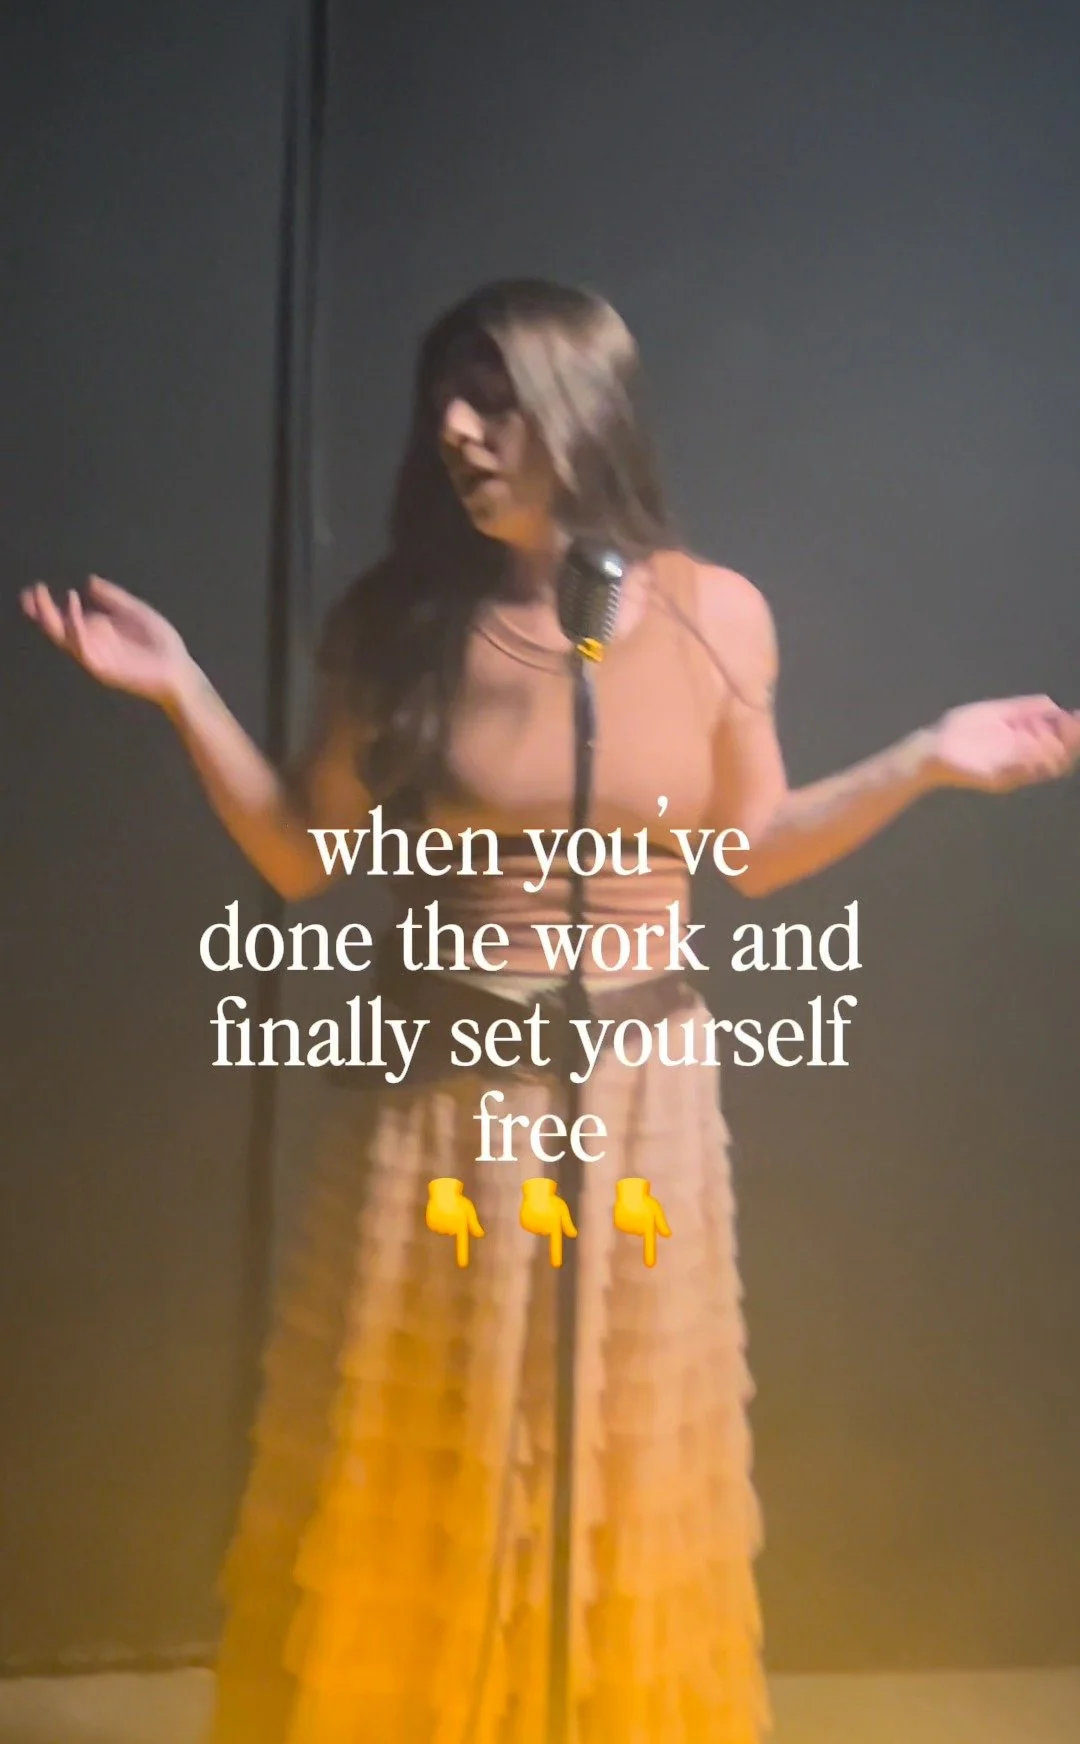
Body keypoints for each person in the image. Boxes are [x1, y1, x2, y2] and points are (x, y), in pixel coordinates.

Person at [20, 277, 1080, 1742]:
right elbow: (301, 856)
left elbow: (755, 851)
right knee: (425, 1441)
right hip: (445, 1099)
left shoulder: (715, 615)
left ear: (584, 407)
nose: (460, 431)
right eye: (445, 404)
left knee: (611, 1459)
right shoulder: (399, 620)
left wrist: (926, 758)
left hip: (638, 1098)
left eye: (496, 398)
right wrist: (182, 690)